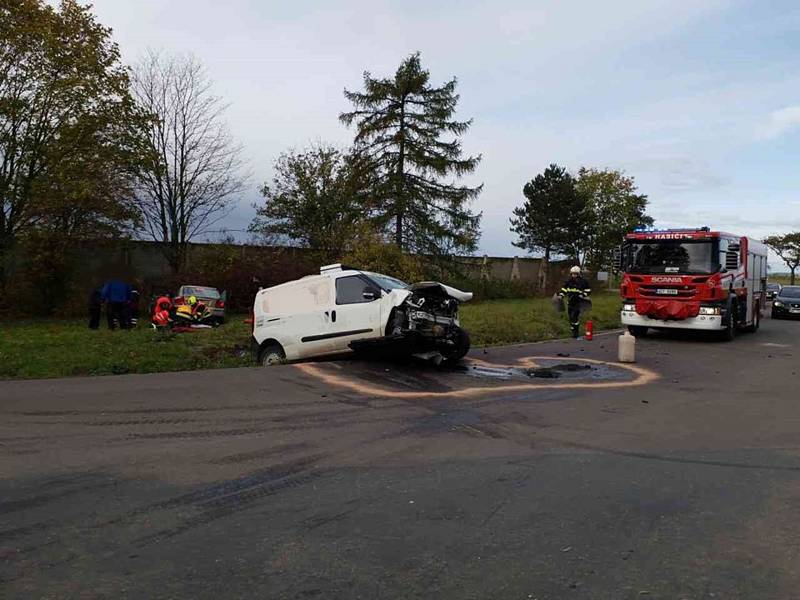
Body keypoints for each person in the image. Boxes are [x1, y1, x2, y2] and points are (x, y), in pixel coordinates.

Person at [558, 266, 592, 338]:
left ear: (579, 274)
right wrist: (561, 295)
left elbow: (588, 291)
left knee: (574, 317)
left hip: (578, 302)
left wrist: (582, 295)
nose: (574, 275)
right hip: (570, 302)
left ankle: (576, 332)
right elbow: (564, 289)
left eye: (575, 274)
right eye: (572, 274)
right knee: (570, 317)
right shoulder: (568, 281)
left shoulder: (583, 282)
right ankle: (573, 330)